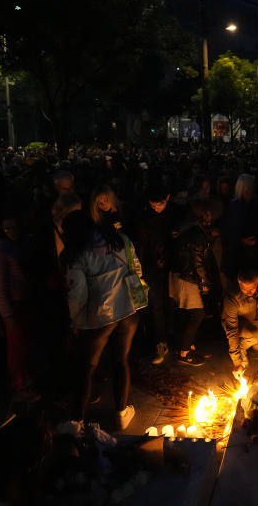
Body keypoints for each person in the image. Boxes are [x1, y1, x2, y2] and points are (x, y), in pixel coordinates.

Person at [61, 209, 141, 432]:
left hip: (99, 317)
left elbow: (77, 294)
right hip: (128, 309)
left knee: (86, 367)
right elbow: (136, 267)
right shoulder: (120, 239)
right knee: (120, 360)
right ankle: (122, 414)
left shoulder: (78, 253)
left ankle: (76, 421)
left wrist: (74, 321)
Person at [0, 214, 40, 402]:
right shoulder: (0, 252)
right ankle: (20, 385)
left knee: (26, 345)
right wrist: (8, 316)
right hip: (14, 307)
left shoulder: (23, 245)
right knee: (16, 347)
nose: (12, 232)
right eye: (6, 228)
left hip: (26, 302)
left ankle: (28, 381)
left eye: (14, 227)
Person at [170, 200, 220, 366]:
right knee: (196, 314)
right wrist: (205, 284)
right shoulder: (197, 234)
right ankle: (184, 353)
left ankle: (189, 346)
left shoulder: (189, 228)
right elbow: (197, 262)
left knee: (188, 314)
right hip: (188, 278)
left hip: (182, 275)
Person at [135, 184, 178, 365]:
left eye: (159, 204)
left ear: (167, 198)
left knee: (170, 304)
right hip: (152, 269)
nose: (156, 208)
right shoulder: (145, 219)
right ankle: (159, 343)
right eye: (153, 205)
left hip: (172, 267)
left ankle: (170, 340)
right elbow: (142, 246)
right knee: (155, 306)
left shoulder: (174, 214)